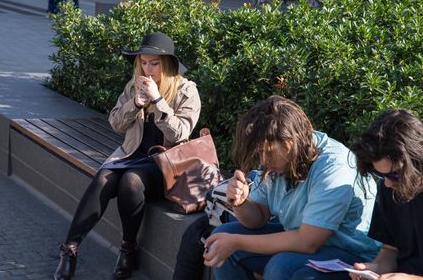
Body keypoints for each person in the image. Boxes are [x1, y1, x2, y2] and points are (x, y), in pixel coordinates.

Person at [53, 32, 201, 280]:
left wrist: (158, 100)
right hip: (133, 155)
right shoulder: (135, 85)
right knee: (103, 179)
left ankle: (127, 249)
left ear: (166, 64)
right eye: (144, 62)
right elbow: (116, 124)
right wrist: (135, 103)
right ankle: (69, 250)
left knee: (131, 181)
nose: (148, 68)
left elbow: (180, 133)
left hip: (167, 165)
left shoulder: (187, 91)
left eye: (154, 63)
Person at [202, 95, 381, 280]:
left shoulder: (334, 168)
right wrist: (239, 203)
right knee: (220, 238)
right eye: (259, 153)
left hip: (352, 256)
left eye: (267, 152)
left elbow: (307, 242)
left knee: (282, 267)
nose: (263, 161)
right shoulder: (278, 156)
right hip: (303, 241)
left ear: (288, 145)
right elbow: (258, 218)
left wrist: (237, 242)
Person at [350, 109, 423, 279]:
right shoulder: (388, 189)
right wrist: (375, 269)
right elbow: (390, 250)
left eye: (394, 175)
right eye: (381, 176)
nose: (388, 183)